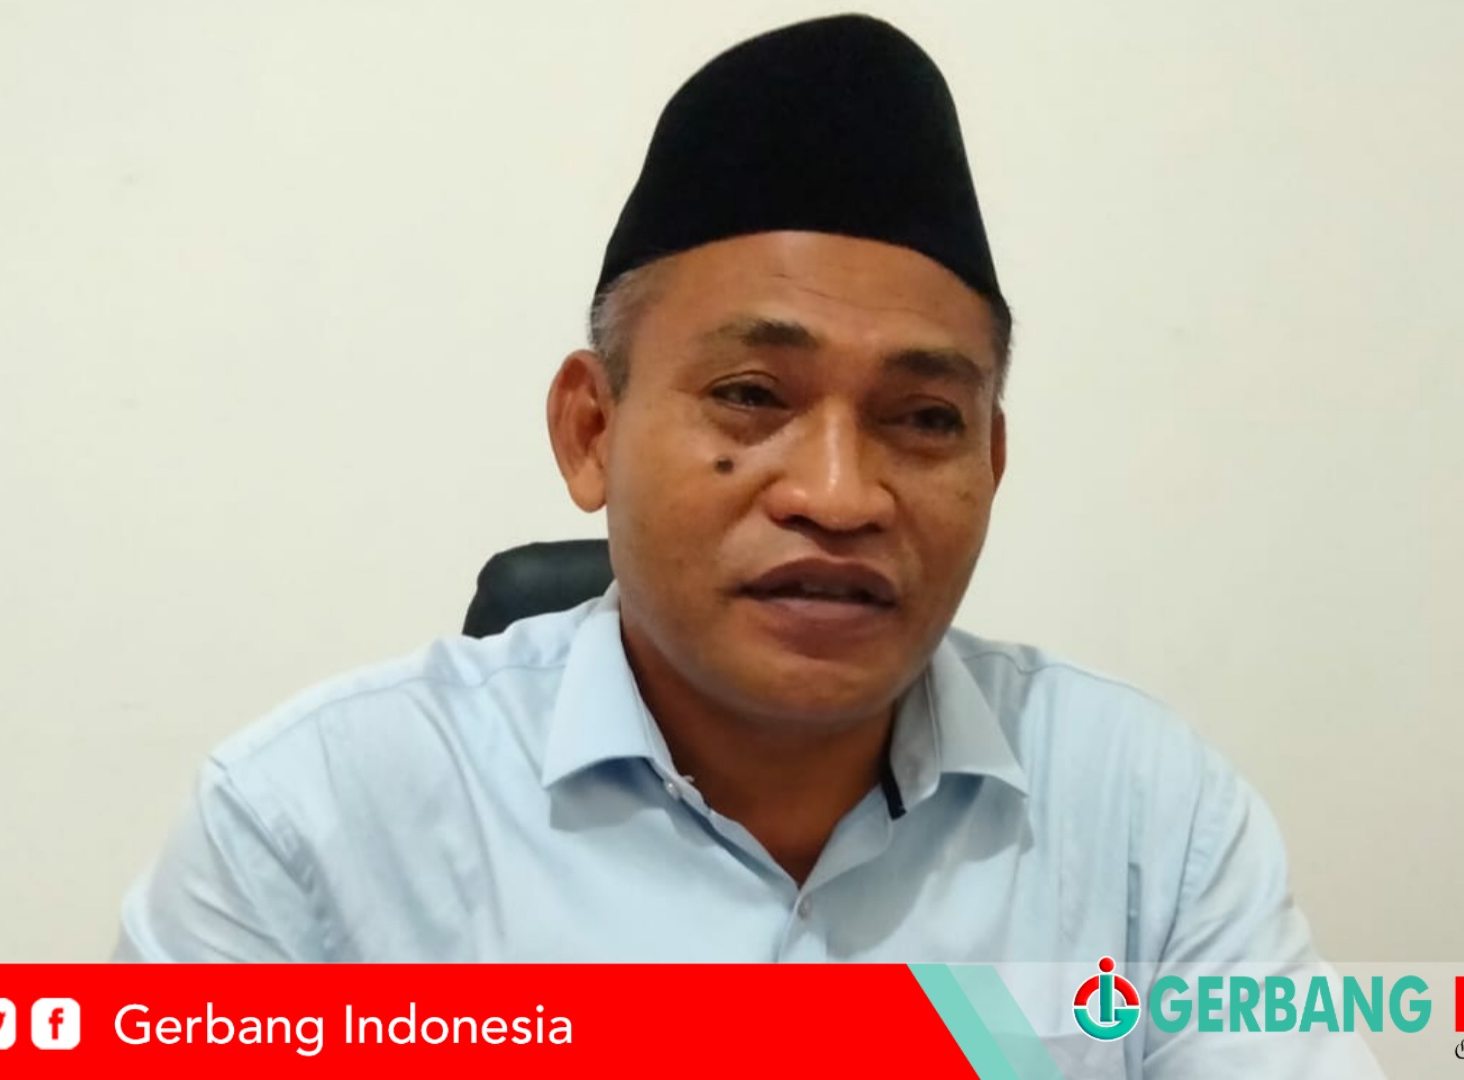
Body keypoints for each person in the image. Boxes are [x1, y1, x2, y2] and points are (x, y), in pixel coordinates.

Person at [117, 13, 1381, 1076]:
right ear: (591, 431)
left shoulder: (1146, 818)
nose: (838, 494)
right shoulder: (314, 831)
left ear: (991, 465)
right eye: (751, 397)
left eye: (923, 418)